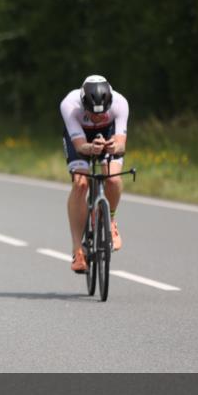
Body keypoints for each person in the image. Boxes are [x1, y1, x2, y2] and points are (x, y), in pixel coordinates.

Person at [61, 75, 129, 273]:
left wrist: (113, 146)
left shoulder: (120, 103)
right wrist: (91, 148)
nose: (98, 116)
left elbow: (121, 144)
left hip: (108, 134)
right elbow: (80, 145)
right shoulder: (69, 104)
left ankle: (111, 221)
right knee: (80, 184)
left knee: (113, 179)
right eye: (93, 113)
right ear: (83, 105)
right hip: (81, 138)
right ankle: (78, 251)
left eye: (102, 113)